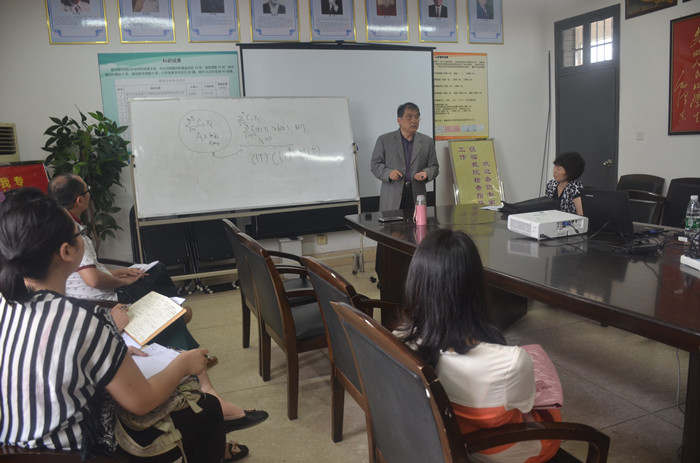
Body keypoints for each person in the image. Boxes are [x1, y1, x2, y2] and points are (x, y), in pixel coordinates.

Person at [0, 188, 248, 461]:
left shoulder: (5, 304)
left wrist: (109, 353)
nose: (83, 236)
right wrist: (184, 364)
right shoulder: (83, 319)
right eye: (79, 233)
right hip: (81, 452)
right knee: (208, 409)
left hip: (14, 450)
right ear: (67, 251)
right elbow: (142, 401)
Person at [47, 174, 268, 433]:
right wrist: (119, 288)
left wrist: (116, 274)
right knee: (169, 308)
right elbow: (92, 280)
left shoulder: (52, 237)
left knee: (166, 300)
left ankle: (203, 381)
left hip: (103, 303)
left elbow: (87, 275)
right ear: (79, 200)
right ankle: (206, 388)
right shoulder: (71, 237)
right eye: (87, 191)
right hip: (106, 305)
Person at [400, 229, 562, 463]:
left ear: (416, 283)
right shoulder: (512, 361)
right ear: (476, 286)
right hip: (496, 453)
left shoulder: (402, 342)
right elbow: (525, 406)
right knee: (551, 411)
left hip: (439, 441)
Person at [370, 102, 439, 212]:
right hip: (392, 195)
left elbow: (434, 167)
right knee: (392, 223)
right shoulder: (384, 140)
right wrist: (388, 173)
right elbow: (375, 165)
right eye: (409, 117)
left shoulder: (427, 142)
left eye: (417, 117)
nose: (414, 121)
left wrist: (426, 173)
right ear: (399, 120)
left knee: (417, 222)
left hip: (417, 195)